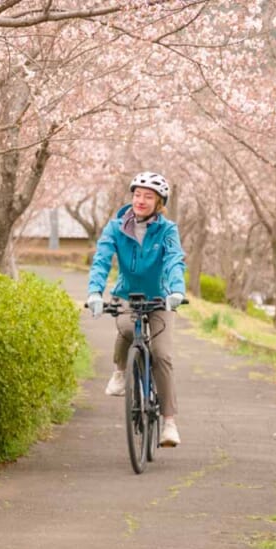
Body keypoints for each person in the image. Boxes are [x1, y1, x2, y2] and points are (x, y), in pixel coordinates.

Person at [87, 171, 186, 447]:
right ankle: (121, 371)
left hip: (160, 299)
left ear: (159, 203)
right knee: (128, 327)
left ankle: (169, 422)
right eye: (137, 194)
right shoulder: (115, 227)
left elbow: (174, 259)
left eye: (148, 197)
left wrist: (177, 290)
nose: (141, 200)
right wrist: (94, 291)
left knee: (162, 355)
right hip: (126, 295)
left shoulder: (167, 229)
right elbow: (102, 260)